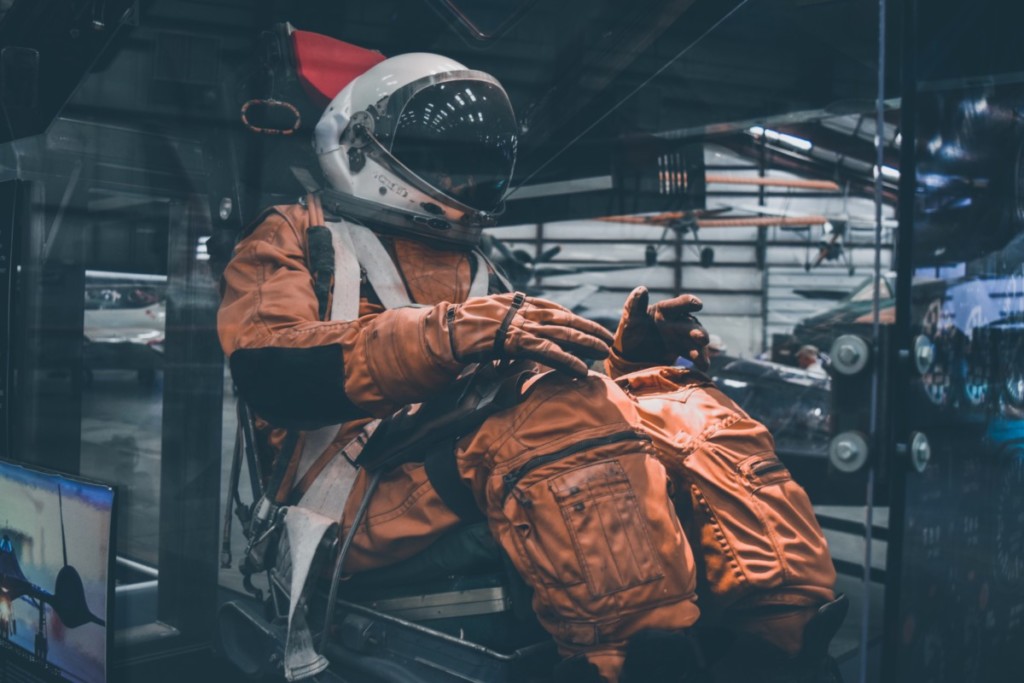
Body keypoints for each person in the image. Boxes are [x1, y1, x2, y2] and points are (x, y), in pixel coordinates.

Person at [218, 48, 838, 682]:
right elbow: (272, 373)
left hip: (450, 455)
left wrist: (630, 364)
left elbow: (542, 394)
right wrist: (446, 335)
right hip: (345, 489)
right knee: (550, 417)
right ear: (359, 149)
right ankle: (627, 660)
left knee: (686, 405)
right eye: (441, 162)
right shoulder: (296, 234)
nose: (459, 181)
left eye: (474, 166)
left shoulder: (472, 262)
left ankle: (781, 638)